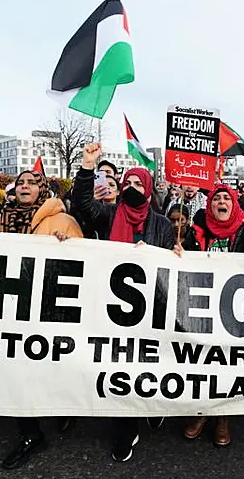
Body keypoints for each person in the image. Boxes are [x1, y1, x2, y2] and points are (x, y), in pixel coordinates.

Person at [73, 143, 175, 462]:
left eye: (137, 184)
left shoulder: (163, 225)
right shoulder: (109, 214)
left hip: (149, 309)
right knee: (120, 366)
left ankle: (151, 405)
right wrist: (88, 167)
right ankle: (124, 427)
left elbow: (171, 268)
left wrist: (170, 255)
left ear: (147, 190)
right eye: (127, 183)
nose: (131, 188)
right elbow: (83, 205)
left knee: (148, 365)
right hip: (112, 307)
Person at [0, 170, 84, 469]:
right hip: (12, 307)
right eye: (21, 183)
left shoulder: (62, 220)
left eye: (32, 182)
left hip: (50, 308)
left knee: (53, 365)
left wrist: (67, 245)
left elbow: (84, 261)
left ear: (42, 189)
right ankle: (30, 434)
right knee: (18, 369)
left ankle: (64, 405)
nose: (25, 186)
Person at [179, 184, 244, 445]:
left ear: (234, 204)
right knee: (201, 362)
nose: (221, 201)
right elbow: (182, 258)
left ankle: (223, 416)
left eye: (226, 198)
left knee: (227, 362)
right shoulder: (196, 231)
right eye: (216, 198)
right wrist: (177, 252)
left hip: (234, 308)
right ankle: (202, 412)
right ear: (209, 205)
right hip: (202, 305)